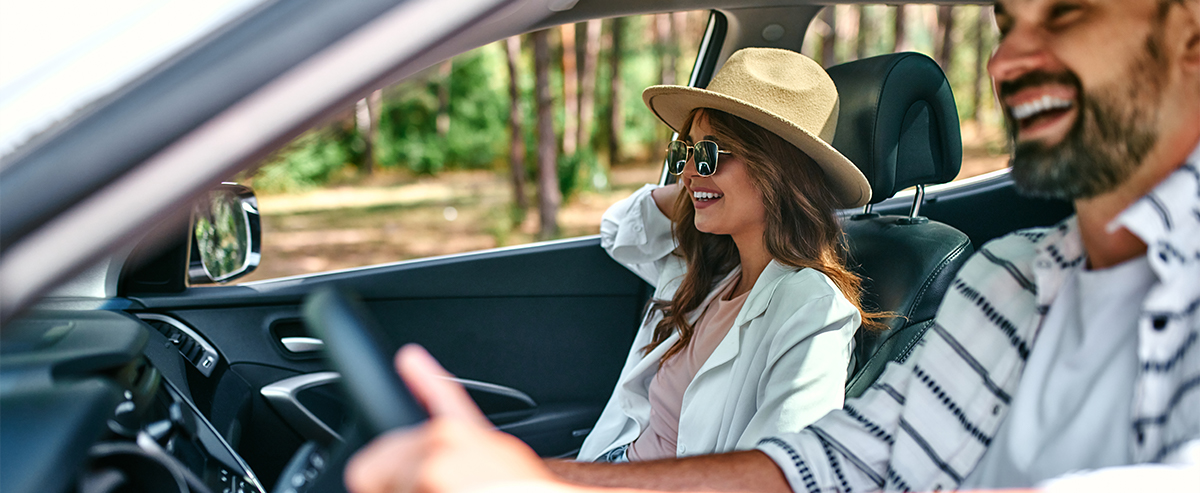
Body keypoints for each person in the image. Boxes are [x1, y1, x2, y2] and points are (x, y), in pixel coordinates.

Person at [345, 0, 1200, 491]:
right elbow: (824, 466)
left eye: (1071, 12)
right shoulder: (1008, 284)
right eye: (1007, 19)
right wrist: (535, 483)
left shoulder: (810, 302)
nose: (1010, 56)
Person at [577, 47, 878, 464]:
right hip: (612, 460)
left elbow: (780, 473)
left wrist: (707, 189)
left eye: (710, 154)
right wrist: (701, 186)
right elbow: (618, 230)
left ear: (778, 170)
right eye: (685, 152)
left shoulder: (815, 308)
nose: (685, 171)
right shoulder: (709, 268)